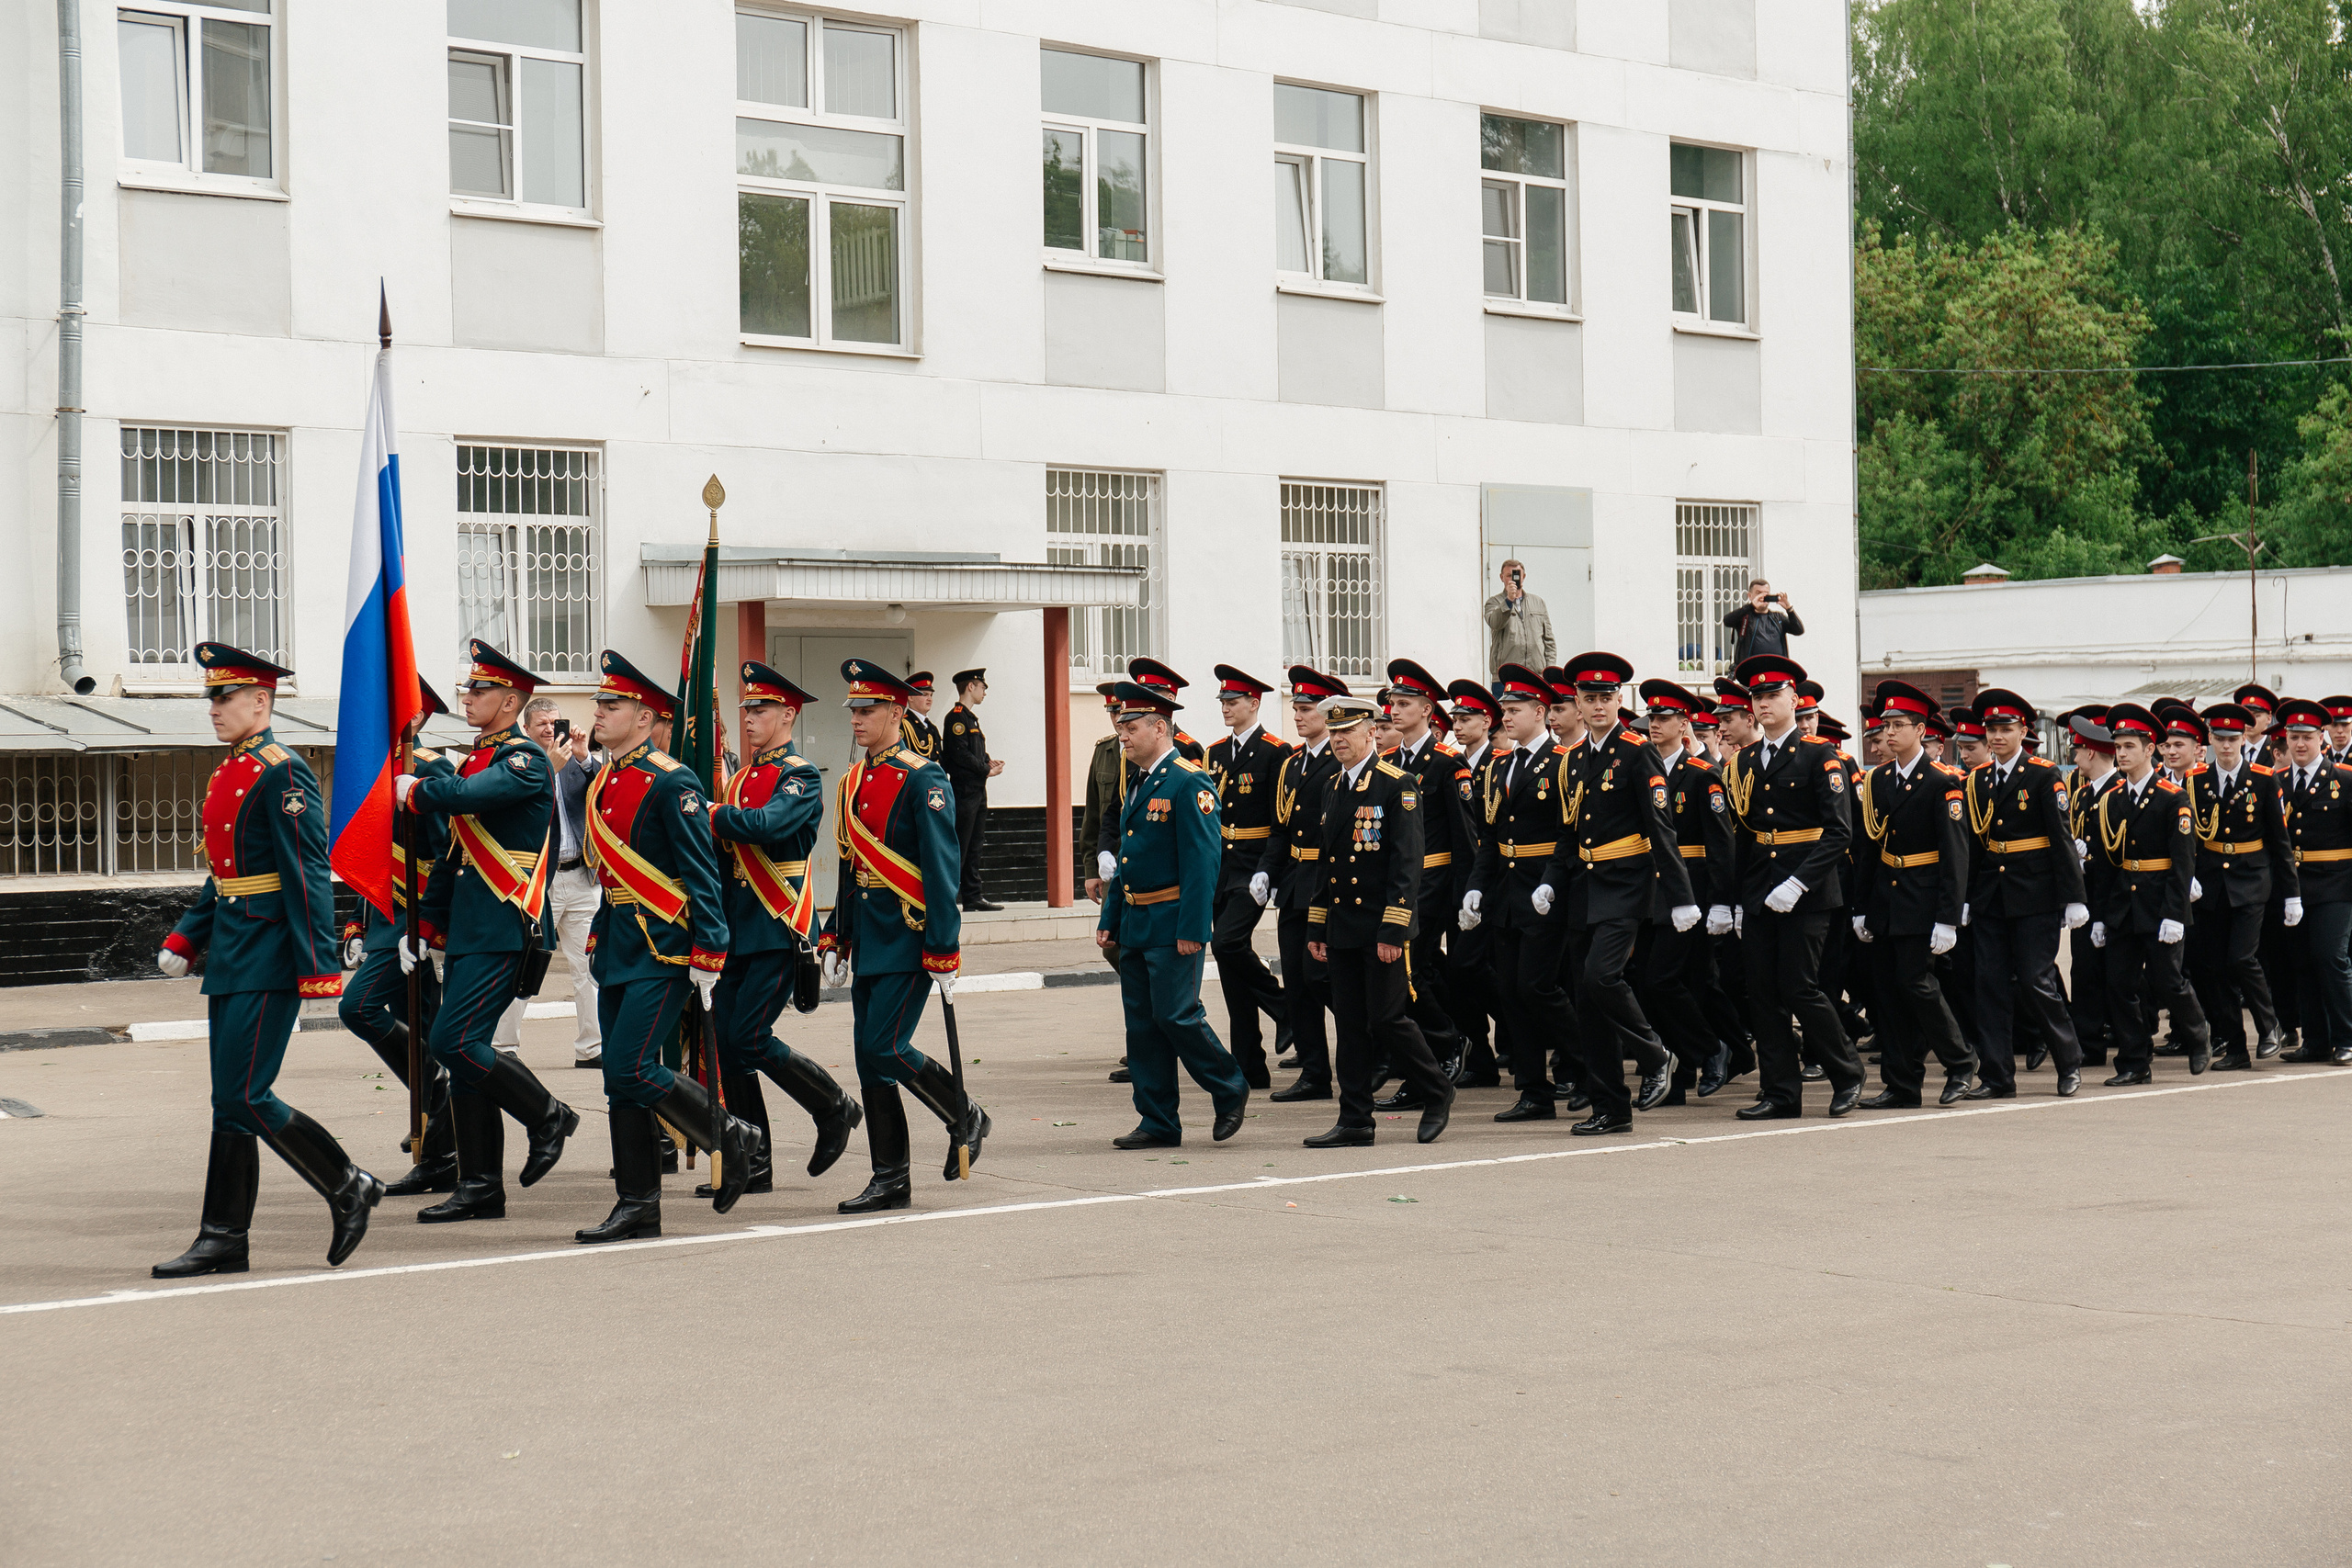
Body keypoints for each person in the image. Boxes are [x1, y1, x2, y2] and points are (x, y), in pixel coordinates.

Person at [152, 643, 383, 1278]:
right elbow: (224, 873)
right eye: (212, 699)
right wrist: (187, 936)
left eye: (225, 698)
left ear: (261, 700)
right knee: (228, 1101)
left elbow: (306, 873)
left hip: (272, 955)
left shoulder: (284, 772)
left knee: (247, 1093)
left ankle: (346, 1182)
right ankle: (223, 1237)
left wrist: (318, 964)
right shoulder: (231, 771)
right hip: (231, 949)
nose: (215, 709)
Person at [568, 651, 758, 1242]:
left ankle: (728, 1130)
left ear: (647, 717)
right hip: (618, 944)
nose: (600, 711)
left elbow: (701, 872)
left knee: (632, 1066)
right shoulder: (603, 780)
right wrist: (599, 933)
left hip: (664, 947)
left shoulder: (674, 781)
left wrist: (711, 949)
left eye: (612, 704)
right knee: (617, 1083)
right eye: (600, 702)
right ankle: (637, 1204)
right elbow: (611, 876)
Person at [393, 641, 581, 1224]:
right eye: (467, 690)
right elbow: (453, 857)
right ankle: (480, 1186)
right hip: (470, 927)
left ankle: (548, 1112)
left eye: (477, 692)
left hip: (505, 925)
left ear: (509, 700)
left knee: (453, 1043)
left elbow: (470, 798)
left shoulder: (523, 760)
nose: (466, 699)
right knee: (466, 1055)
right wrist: (425, 925)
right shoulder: (476, 758)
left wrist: (417, 789)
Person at [816, 660, 987, 1213]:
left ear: (896, 711)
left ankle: (964, 1113)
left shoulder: (923, 776)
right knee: (871, 1062)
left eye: (867, 710)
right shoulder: (852, 779)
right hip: (869, 936)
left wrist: (944, 943)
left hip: (911, 935)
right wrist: (835, 932)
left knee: (883, 1048)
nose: (858, 720)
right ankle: (891, 1177)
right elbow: (849, 864)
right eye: (854, 711)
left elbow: (942, 867)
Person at [705, 661, 864, 1194]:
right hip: (736, 928)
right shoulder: (740, 778)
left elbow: (768, 826)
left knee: (749, 1038)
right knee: (729, 1049)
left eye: (760, 709)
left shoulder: (798, 775)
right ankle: (755, 1161)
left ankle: (833, 1105)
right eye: (746, 707)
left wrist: (711, 814)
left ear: (787, 715)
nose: (748, 717)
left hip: (776, 927)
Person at [1538, 653, 1695, 1134]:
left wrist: (1682, 894)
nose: (1599, 705)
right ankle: (1611, 1107)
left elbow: (1661, 827)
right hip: (1585, 888)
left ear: (1620, 700)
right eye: (1590, 698)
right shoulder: (1577, 758)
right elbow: (1570, 830)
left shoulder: (1635, 751)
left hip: (1627, 882)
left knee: (1602, 977)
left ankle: (1655, 1054)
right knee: (1588, 1002)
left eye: (1607, 697)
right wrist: (1550, 879)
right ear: (1578, 706)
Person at [1095, 679, 1250, 1149]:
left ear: (1160, 728)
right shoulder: (1140, 781)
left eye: (1132, 726)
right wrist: (1110, 917)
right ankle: (1158, 1120)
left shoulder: (1189, 781)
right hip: (1137, 922)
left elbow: (1204, 862)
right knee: (1142, 1025)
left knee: (1177, 1015)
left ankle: (1229, 1086)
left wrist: (1194, 928)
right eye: (1121, 726)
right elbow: (1128, 860)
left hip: (1172, 920)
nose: (1123, 735)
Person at [1302, 694, 1455, 1145]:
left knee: (1388, 1018)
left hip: (1381, 925)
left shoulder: (1398, 784)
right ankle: (1354, 1120)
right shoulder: (1332, 786)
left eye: (1346, 732)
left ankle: (1436, 1089)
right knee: (1349, 1022)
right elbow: (1325, 863)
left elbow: (1407, 864)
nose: (1338, 741)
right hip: (1344, 924)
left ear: (1371, 732)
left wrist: (1393, 928)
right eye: (1333, 733)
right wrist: (1317, 925)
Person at [1721, 655, 1864, 1119]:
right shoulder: (1744, 761)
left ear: (1793, 700)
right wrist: (1739, 901)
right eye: (1756, 697)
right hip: (1761, 890)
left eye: (1772, 695)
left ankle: (1847, 1072)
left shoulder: (1822, 756)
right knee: (1762, 993)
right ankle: (1781, 1092)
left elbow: (1839, 832)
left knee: (1800, 988)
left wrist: (1798, 883)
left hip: (1807, 893)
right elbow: (1744, 835)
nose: (1763, 704)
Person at [337, 677, 457, 1195]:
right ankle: (441, 1149)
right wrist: (357, 923)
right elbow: (368, 860)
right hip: (387, 924)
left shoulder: (430, 772)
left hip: (416, 925)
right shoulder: (374, 772)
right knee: (427, 1035)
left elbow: (443, 858)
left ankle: (441, 1113)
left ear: (415, 717)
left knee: (358, 1007)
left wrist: (431, 927)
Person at [1852, 681, 1981, 1107]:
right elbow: (1869, 848)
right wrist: (1861, 908)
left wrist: (1948, 916)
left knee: (1916, 983)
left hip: (1924, 898)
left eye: (1898, 725)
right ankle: (1902, 1082)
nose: (1888, 733)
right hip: (1888, 898)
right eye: (1884, 725)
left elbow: (1955, 854)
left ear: (1921, 730)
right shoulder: (1878, 780)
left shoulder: (1941, 782)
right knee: (1887, 991)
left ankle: (1961, 1062)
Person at [1957, 689, 2089, 1099]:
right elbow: (1974, 843)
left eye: (2005, 729)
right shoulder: (1977, 779)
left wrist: (2075, 896)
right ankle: (1997, 1075)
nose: (1997, 736)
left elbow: (2061, 838)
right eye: (1992, 729)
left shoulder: (2044, 774)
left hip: (2035, 893)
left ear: (2022, 731)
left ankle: (2068, 1061)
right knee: (1990, 985)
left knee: (2036, 980)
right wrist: (1963, 898)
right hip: (1991, 896)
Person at [1462, 665, 1577, 1121]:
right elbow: (1490, 838)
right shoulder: (1499, 766)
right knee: (1511, 993)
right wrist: (1475, 889)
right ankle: (1533, 1090)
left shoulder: (1563, 762)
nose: (1506, 717)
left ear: (1540, 712)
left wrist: (1552, 878)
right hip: (1507, 894)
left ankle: (1587, 1066)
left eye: (1515, 710)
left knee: (1538, 987)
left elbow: (1569, 833)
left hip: (1546, 890)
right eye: (1504, 710)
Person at [2087, 705, 2211, 1084]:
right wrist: (2100, 916)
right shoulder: (2112, 799)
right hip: (2125, 902)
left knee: (2167, 981)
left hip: (2160, 903)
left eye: (2129, 746)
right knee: (2121, 985)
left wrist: (2175, 914)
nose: (2122, 754)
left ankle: (2197, 1033)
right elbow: (2108, 863)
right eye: (2119, 747)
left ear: (2150, 749)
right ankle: (2134, 1061)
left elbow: (2182, 862)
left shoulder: (2172, 797)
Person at [1370, 660, 1474, 1105]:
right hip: (1398, 886)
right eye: (1392, 702)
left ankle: (1447, 1042)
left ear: (1428, 710)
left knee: (1413, 971)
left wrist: (1466, 894)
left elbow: (1465, 836)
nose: (1394, 710)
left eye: (1405, 703)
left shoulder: (1448, 763)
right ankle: (1430, 1058)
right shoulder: (1388, 762)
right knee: (1409, 974)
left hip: (1435, 881)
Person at [2183, 704, 2294, 1071]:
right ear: (2210, 740)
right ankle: (2235, 1046)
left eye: (2233, 739)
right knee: (2213, 967)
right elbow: (2193, 840)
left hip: (2251, 879)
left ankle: (2270, 1025)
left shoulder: (2263, 779)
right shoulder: (2196, 781)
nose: (2226, 746)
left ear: (2244, 739)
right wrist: (2191, 876)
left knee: (2242, 957)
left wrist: (2290, 893)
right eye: (2219, 739)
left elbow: (2279, 842)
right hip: (2212, 882)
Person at [1259, 666, 1347, 1101]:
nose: (1298, 715)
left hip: (1332, 883)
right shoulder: (1293, 763)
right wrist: (1267, 871)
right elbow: (1280, 827)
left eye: (1307, 708)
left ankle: (1376, 1045)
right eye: (1295, 707)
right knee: (1296, 979)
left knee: (1325, 976)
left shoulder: (1341, 762)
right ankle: (1315, 1073)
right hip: (1296, 880)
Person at [1207, 665, 1291, 1088]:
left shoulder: (1277, 752)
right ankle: (1250, 1065)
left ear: (1254, 704)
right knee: (1227, 965)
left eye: (1233, 702)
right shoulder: (1215, 752)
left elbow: (1281, 820)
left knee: (1227, 941)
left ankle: (1283, 1006)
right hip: (1221, 865)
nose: (1226, 708)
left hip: (1255, 863)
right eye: (1222, 701)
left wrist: (1269, 870)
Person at [522, 694, 602, 1068]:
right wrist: (548, 769)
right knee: (526, 963)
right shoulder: (520, 763)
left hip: (582, 878)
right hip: (543, 883)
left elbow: (602, 793)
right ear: (527, 728)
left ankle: (592, 1049)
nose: (551, 729)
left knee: (588, 967)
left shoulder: (576, 762)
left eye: (556, 722)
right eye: (542, 724)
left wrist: (584, 757)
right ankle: (504, 1049)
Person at [2272, 701, 2348, 1064]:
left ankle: (2347, 1037)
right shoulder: (2277, 781)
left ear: (2322, 738)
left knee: (2330, 957)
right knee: (2301, 962)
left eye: (2306, 737)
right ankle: (2315, 1040)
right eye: (2293, 737)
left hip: (2337, 885)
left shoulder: (2344, 779)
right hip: (2294, 887)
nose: (2299, 744)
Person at [941, 668, 1004, 912]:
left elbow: (974, 751)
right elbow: (959, 754)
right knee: (961, 844)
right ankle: (949, 896)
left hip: (977, 789)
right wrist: (984, 769)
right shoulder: (956, 717)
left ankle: (972, 896)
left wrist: (988, 762)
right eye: (982, 686)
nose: (984, 691)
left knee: (975, 844)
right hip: (964, 790)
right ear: (971, 686)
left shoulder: (970, 718)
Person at [1483, 558, 1556, 675]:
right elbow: (1495, 623)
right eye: (1508, 576)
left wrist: (1550, 670)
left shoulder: (1538, 602)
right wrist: (1508, 600)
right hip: (1505, 675)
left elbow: (1549, 641)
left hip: (1536, 674)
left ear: (1523, 576)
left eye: (1516, 575)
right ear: (1502, 577)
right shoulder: (1494, 602)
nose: (1512, 579)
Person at [1723, 580, 1804, 665]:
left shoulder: (1778, 617)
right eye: (1758, 593)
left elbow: (1799, 630)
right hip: (1750, 672)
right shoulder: (1744, 617)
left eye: (1766, 594)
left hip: (1777, 671)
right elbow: (1727, 621)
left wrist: (1789, 609)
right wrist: (1751, 606)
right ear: (1750, 596)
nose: (1762, 597)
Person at [899, 671, 941, 761]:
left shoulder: (932, 727)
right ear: (910, 697)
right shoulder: (904, 725)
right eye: (925, 695)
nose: (929, 699)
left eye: (931, 695)